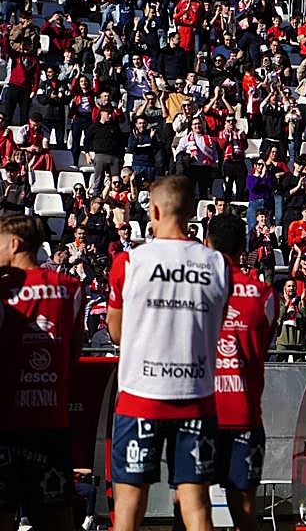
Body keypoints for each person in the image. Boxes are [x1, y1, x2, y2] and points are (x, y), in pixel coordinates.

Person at [107, 175, 231, 531]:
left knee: (129, 509)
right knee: (197, 508)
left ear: (155, 211)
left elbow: (115, 332)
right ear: (192, 212)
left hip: (140, 396)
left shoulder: (130, 262)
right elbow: (217, 325)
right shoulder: (217, 264)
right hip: (196, 397)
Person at [0, 214, 81, 531]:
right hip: (51, 420)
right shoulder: (70, 288)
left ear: (14, 244)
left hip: (6, 421)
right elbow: (74, 350)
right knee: (57, 515)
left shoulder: (3, 290)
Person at [207, 213, 277, 531]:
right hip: (245, 414)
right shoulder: (264, 294)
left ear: (207, 243)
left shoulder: (196, 289)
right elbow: (264, 344)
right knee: (244, 512)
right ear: (243, 249)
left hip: (200, 413)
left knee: (188, 507)